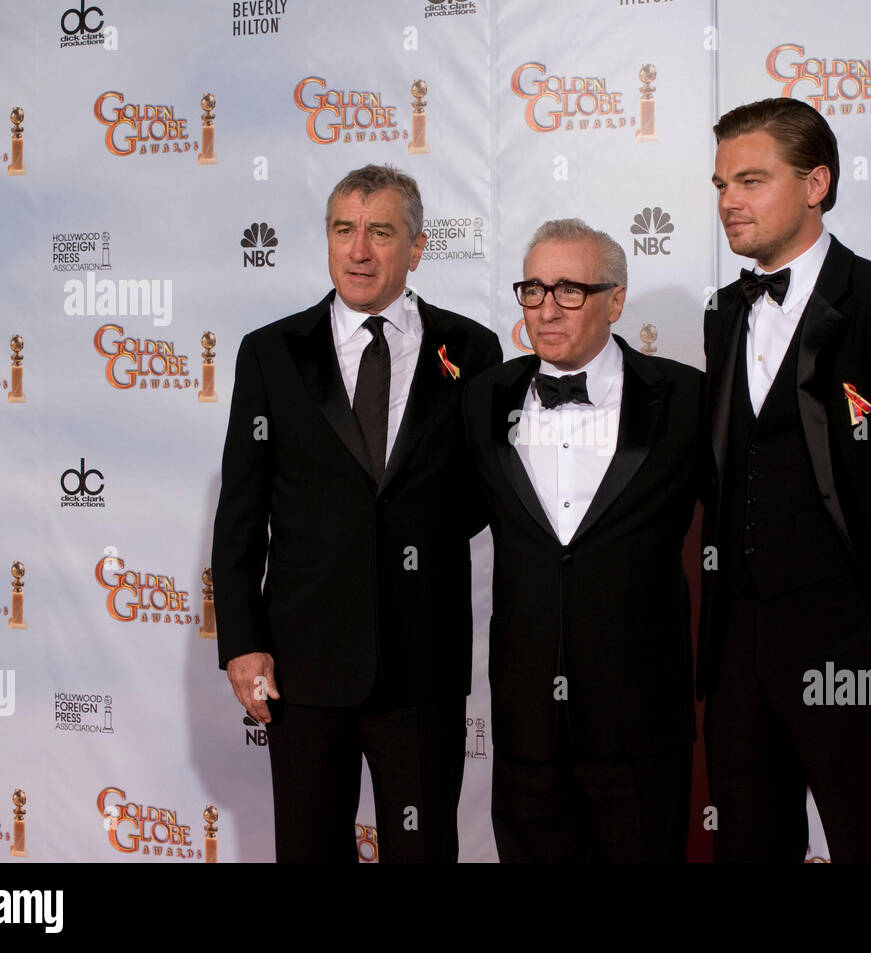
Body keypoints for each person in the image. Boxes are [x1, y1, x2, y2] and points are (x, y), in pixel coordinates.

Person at [699, 98, 871, 862]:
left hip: (857, 647)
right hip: (738, 656)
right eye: (721, 183)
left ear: (816, 182)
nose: (729, 201)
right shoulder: (724, 313)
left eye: (751, 180)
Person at [211, 163, 502, 863]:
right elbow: (241, 511)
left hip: (421, 665)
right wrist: (242, 642)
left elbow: (480, 494)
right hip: (304, 667)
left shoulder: (471, 349)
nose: (359, 250)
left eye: (380, 232)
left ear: (417, 246)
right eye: (344, 230)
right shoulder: (271, 353)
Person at [463, 219, 701, 862]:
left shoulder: (685, 398)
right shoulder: (484, 397)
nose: (546, 309)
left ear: (615, 300)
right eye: (533, 290)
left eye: (569, 290)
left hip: (641, 721)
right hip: (526, 721)